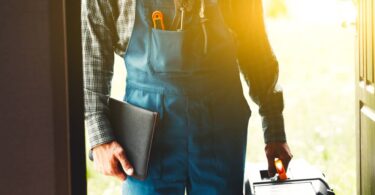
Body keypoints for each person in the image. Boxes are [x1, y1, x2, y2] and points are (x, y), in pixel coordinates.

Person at [82, 0, 293, 194]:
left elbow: (256, 51)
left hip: (220, 128)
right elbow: (93, 53)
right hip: (147, 136)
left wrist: (275, 129)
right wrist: (99, 135)